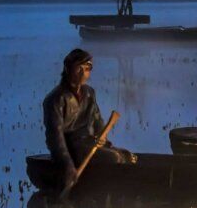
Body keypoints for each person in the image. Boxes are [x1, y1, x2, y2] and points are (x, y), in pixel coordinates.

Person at [43, 48, 133, 190]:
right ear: (68, 69)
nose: (83, 73)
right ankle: (102, 190)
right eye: (79, 68)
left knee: (127, 156)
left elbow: (97, 120)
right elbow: (55, 138)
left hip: (89, 143)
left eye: (87, 69)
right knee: (114, 159)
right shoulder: (56, 99)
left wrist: (102, 137)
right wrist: (67, 165)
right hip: (71, 148)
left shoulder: (89, 93)